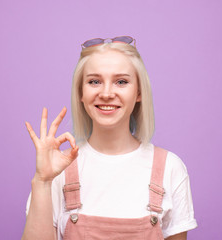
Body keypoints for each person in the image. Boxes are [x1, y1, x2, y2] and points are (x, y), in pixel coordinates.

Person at [21, 36, 198, 240]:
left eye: (121, 82)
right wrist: (43, 181)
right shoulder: (57, 171)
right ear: (81, 92)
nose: (106, 93)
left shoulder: (170, 168)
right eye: (94, 81)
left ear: (139, 92)